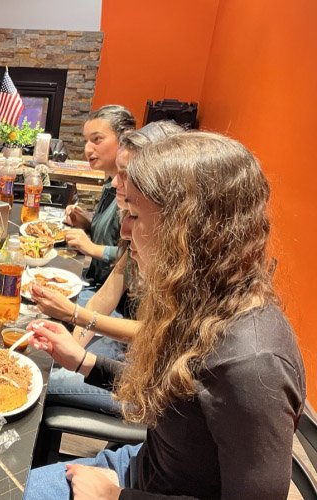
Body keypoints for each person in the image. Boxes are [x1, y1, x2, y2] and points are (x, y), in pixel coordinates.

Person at [25, 132, 306, 499]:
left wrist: (115, 497)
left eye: (134, 215)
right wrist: (83, 361)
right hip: (138, 467)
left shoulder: (252, 364)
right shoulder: (203, 302)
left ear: (188, 230)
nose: (125, 232)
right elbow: (175, 395)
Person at [33, 121, 184, 415]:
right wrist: (70, 346)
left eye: (125, 174)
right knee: (47, 365)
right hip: (130, 361)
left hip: (151, 384)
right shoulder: (138, 229)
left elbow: (154, 334)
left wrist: (74, 316)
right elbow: (106, 295)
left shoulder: (178, 251)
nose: (115, 183)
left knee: (41, 381)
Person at [64, 104, 135, 294]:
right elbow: (112, 236)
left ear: (125, 139)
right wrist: (85, 223)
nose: (87, 149)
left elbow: (136, 255)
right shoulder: (110, 183)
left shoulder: (132, 192)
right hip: (93, 280)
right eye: (86, 141)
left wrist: (92, 248)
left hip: (114, 296)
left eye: (97, 139)